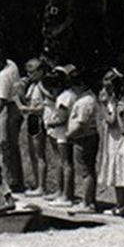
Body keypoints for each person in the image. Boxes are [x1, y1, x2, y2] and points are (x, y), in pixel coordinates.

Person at [96, 69, 124, 216]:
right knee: (118, 171)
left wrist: (102, 106)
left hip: (119, 139)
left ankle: (121, 205)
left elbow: (111, 120)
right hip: (115, 138)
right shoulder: (122, 99)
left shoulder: (116, 101)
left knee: (119, 171)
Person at [0, 40, 25, 192]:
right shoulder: (11, 63)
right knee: (12, 145)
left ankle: (10, 180)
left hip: (8, 108)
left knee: (5, 145)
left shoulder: (3, 76)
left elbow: (2, 100)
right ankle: (16, 179)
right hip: (14, 106)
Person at [67, 72, 101, 212]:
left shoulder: (84, 102)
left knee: (86, 171)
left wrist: (69, 134)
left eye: (74, 86)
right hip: (87, 136)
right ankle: (89, 200)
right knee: (88, 169)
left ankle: (87, 203)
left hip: (83, 137)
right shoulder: (90, 98)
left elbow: (81, 123)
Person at [20, 58, 53, 194]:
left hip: (38, 119)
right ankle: (36, 182)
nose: (29, 75)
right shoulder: (33, 86)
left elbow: (45, 106)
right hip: (31, 119)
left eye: (32, 72)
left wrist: (28, 110)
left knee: (39, 154)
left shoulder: (43, 85)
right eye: (28, 72)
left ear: (40, 71)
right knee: (32, 153)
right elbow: (27, 100)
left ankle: (42, 186)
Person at [45, 67, 76, 205]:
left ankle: (66, 195)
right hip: (62, 133)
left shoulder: (64, 97)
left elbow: (62, 118)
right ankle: (61, 191)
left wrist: (50, 123)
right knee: (61, 162)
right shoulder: (69, 94)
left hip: (64, 133)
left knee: (66, 163)